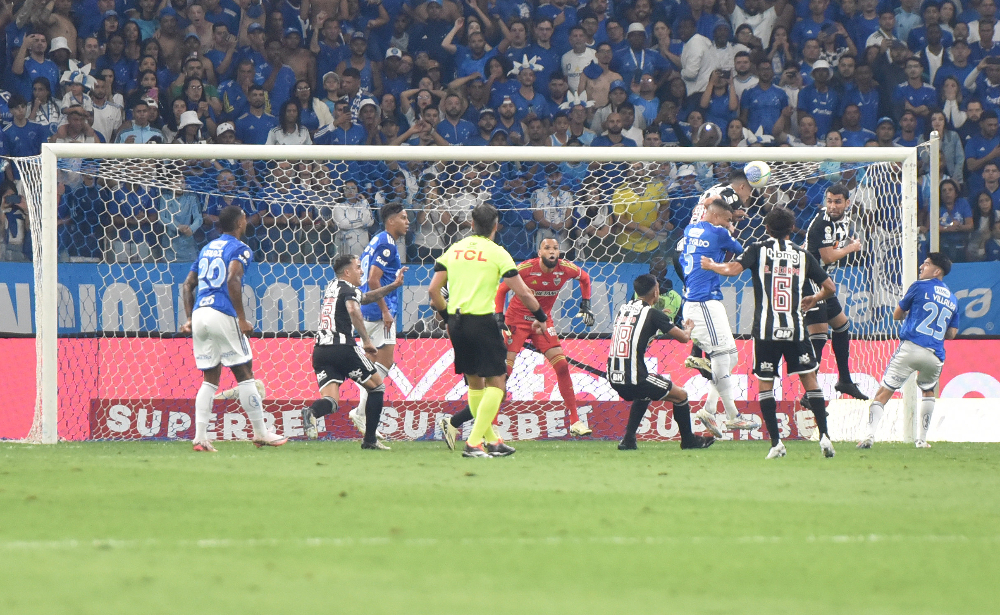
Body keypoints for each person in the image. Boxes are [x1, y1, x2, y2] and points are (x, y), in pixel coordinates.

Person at [702, 207, 838, 459]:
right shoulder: (802, 254)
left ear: (766, 227)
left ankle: (776, 443)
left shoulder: (758, 249)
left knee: (766, 384)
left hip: (766, 331)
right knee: (810, 380)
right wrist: (814, 298)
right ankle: (825, 437)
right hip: (796, 330)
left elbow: (732, 269)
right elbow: (829, 287)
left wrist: (711, 265)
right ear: (791, 228)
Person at [446, 238, 596, 444]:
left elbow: (586, 279)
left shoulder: (566, 269)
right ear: (539, 252)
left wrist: (585, 304)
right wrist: (499, 318)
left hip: (543, 321)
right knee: (501, 376)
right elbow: (501, 290)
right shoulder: (526, 268)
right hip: (516, 322)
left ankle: (575, 421)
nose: (552, 252)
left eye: (555, 248)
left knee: (562, 366)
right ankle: (493, 426)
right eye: (547, 248)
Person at [427, 203, 547, 458]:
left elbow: (433, 291)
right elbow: (523, 292)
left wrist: (447, 315)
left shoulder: (454, 250)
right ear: (495, 226)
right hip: (482, 322)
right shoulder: (497, 252)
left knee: (474, 383)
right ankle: (473, 443)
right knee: (497, 384)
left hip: (456, 324)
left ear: (471, 224)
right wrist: (541, 317)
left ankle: (492, 440)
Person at [179, 205, 287, 452]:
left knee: (209, 380)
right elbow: (232, 279)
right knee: (244, 373)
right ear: (240, 223)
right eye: (245, 219)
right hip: (222, 313)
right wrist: (241, 318)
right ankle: (261, 433)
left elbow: (188, 285)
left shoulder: (207, 248)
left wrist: (188, 318)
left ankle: (200, 438)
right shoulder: (240, 248)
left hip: (200, 314)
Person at [300, 254, 408, 449]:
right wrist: (366, 340)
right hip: (342, 348)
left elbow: (366, 298)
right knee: (377, 387)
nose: (361, 271)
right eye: (358, 267)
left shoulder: (333, 286)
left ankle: (311, 413)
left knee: (331, 401)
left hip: (320, 351)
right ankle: (370, 441)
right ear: (347, 272)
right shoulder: (348, 289)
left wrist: (393, 285)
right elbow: (353, 309)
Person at [858, 253, 959, 449]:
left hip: (911, 347)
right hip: (935, 355)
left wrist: (914, 316)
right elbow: (952, 334)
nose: (922, 266)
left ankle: (869, 436)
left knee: (883, 393)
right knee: (928, 391)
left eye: (927, 264)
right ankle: (921, 440)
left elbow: (897, 315)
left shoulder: (919, 286)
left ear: (937, 271)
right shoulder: (954, 299)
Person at [678, 197, 761, 437]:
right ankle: (734, 417)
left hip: (698, 301)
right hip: (703, 303)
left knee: (730, 356)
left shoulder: (690, 228)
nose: (729, 223)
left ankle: (709, 410)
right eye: (727, 219)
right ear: (715, 216)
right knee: (723, 356)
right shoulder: (718, 232)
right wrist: (730, 235)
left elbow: (710, 216)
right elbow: (742, 252)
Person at [607, 274, 714, 451]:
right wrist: (688, 328)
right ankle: (688, 440)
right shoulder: (653, 314)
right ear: (656, 292)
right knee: (681, 396)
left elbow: (638, 335)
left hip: (613, 376)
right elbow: (684, 339)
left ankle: (628, 439)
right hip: (635, 378)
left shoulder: (623, 309)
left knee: (644, 395)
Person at [803, 183, 870, 405]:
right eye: (829, 201)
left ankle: (844, 380)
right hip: (807, 280)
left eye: (837, 201)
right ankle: (809, 392)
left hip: (823, 282)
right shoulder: (822, 223)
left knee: (842, 325)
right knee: (820, 333)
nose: (832, 206)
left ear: (847, 203)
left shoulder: (842, 221)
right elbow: (829, 256)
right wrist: (852, 248)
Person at [349, 203, 411, 439]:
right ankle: (361, 412)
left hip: (371, 308)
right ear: (391, 220)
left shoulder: (378, 240)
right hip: (378, 310)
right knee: (382, 363)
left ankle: (362, 411)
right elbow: (374, 279)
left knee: (377, 363)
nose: (407, 222)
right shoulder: (386, 243)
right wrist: (385, 310)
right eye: (403, 218)